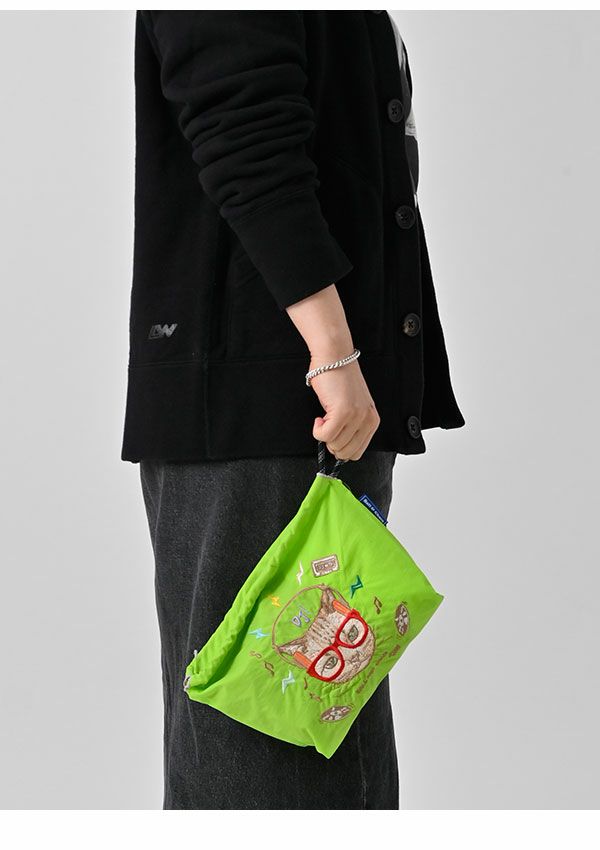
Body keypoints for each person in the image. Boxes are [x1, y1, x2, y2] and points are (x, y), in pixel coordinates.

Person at [122, 10, 465, 810]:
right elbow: (244, 129)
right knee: (267, 748)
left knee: (324, 740)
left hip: (316, 395)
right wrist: (333, 352)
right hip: (276, 392)